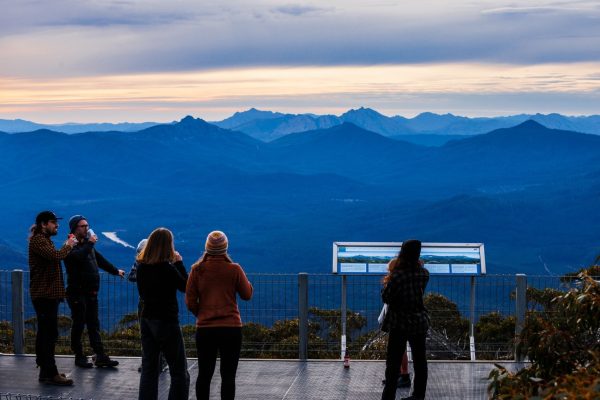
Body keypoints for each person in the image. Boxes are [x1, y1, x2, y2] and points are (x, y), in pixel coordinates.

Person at [185, 230, 253, 400]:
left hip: (205, 329)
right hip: (231, 329)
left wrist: (202, 314)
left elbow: (190, 302)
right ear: (225, 248)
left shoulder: (197, 270)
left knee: (204, 375)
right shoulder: (234, 269)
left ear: (206, 248)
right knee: (228, 376)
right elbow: (247, 295)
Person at [64, 215, 125, 368]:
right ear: (74, 229)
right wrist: (90, 244)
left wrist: (115, 271)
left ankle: (100, 356)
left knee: (93, 324)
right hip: (77, 292)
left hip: (91, 292)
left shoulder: (87, 245)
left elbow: (100, 260)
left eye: (87, 225)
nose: (86, 228)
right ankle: (79, 356)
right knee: (79, 324)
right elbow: (77, 258)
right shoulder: (70, 245)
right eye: (82, 226)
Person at [136, 228, 189, 400]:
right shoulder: (167, 269)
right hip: (166, 320)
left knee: (149, 369)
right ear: (167, 246)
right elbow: (185, 286)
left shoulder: (142, 267)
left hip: (146, 318)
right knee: (179, 371)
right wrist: (179, 263)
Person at [28, 210, 77, 385]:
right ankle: (50, 373)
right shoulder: (38, 240)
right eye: (53, 222)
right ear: (43, 224)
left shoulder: (44, 240)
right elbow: (56, 256)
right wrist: (69, 244)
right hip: (44, 295)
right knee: (48, 334)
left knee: (47, 333)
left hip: (48, 294)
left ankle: (46, 372)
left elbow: (54, 256)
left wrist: (66, 245)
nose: (56, 225)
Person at [381, 240, 430, 400]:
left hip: (400, 323)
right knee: (420, 361)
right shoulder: (424, 273)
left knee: (393, 364)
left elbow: (387, 297)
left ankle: (388, 396)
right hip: (419, 321)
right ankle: (418, 395)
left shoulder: (398, 275)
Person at [128, 239, 168, 373]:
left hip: (153, 303)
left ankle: (160, 361)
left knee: (157, 334)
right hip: (146, 302)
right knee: (146, 334)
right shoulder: (141, 264)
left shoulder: (161, 264)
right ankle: (149, 362)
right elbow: (131, 276)